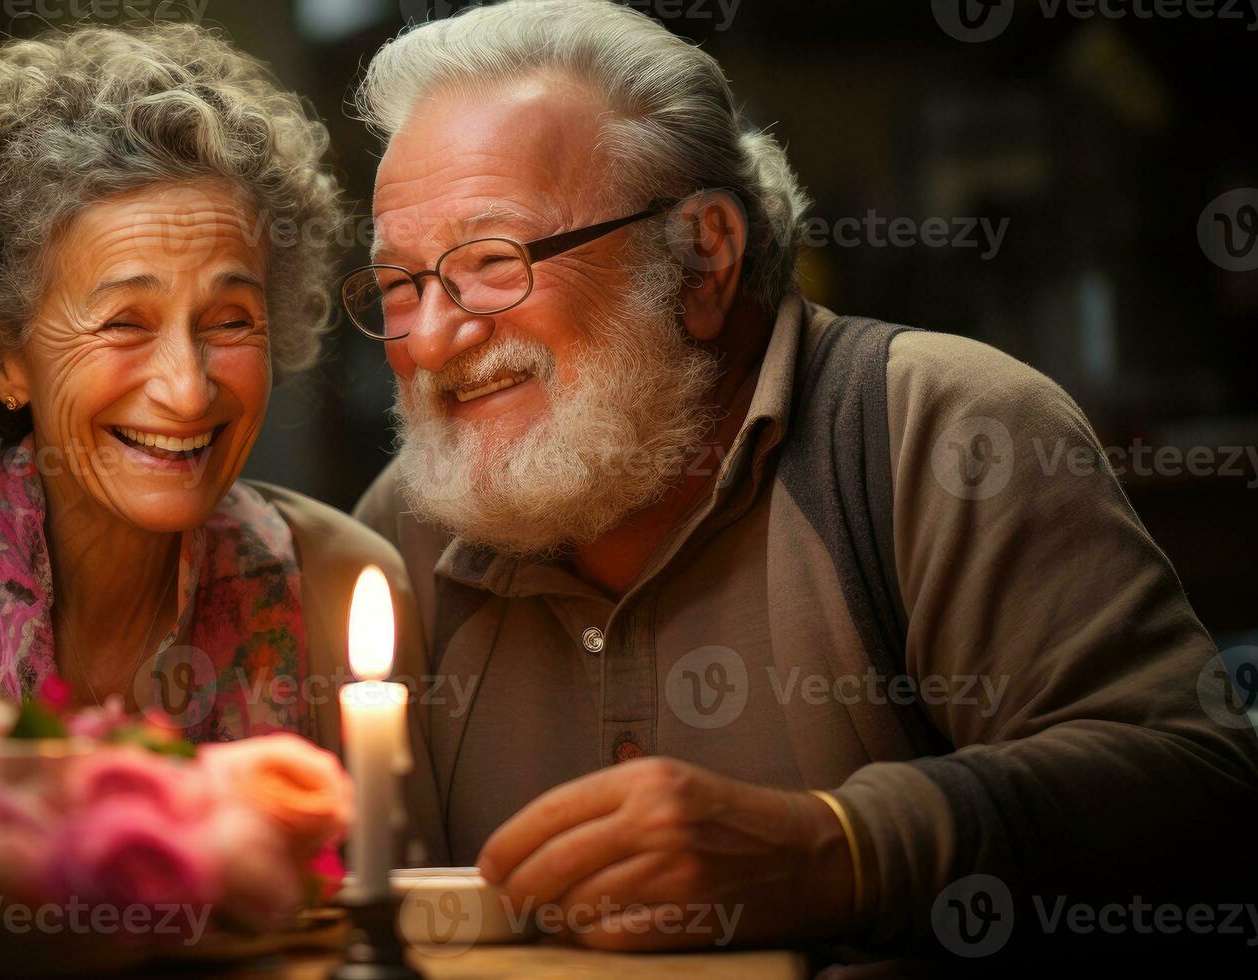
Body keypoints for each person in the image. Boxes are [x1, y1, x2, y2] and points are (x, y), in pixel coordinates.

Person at [347, 0, 1258, 955]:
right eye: (398, 284)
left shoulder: (937, 433)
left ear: (701, 258)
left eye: (493, 263)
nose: (431, 338)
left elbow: (1203, 791)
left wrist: (839, 849)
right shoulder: (406, 530)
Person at [0, 22, 423, 762]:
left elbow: (398, 876)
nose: (187, 391)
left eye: (229, 320)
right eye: (124, 324)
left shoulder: (342, 580)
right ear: (3, 356)